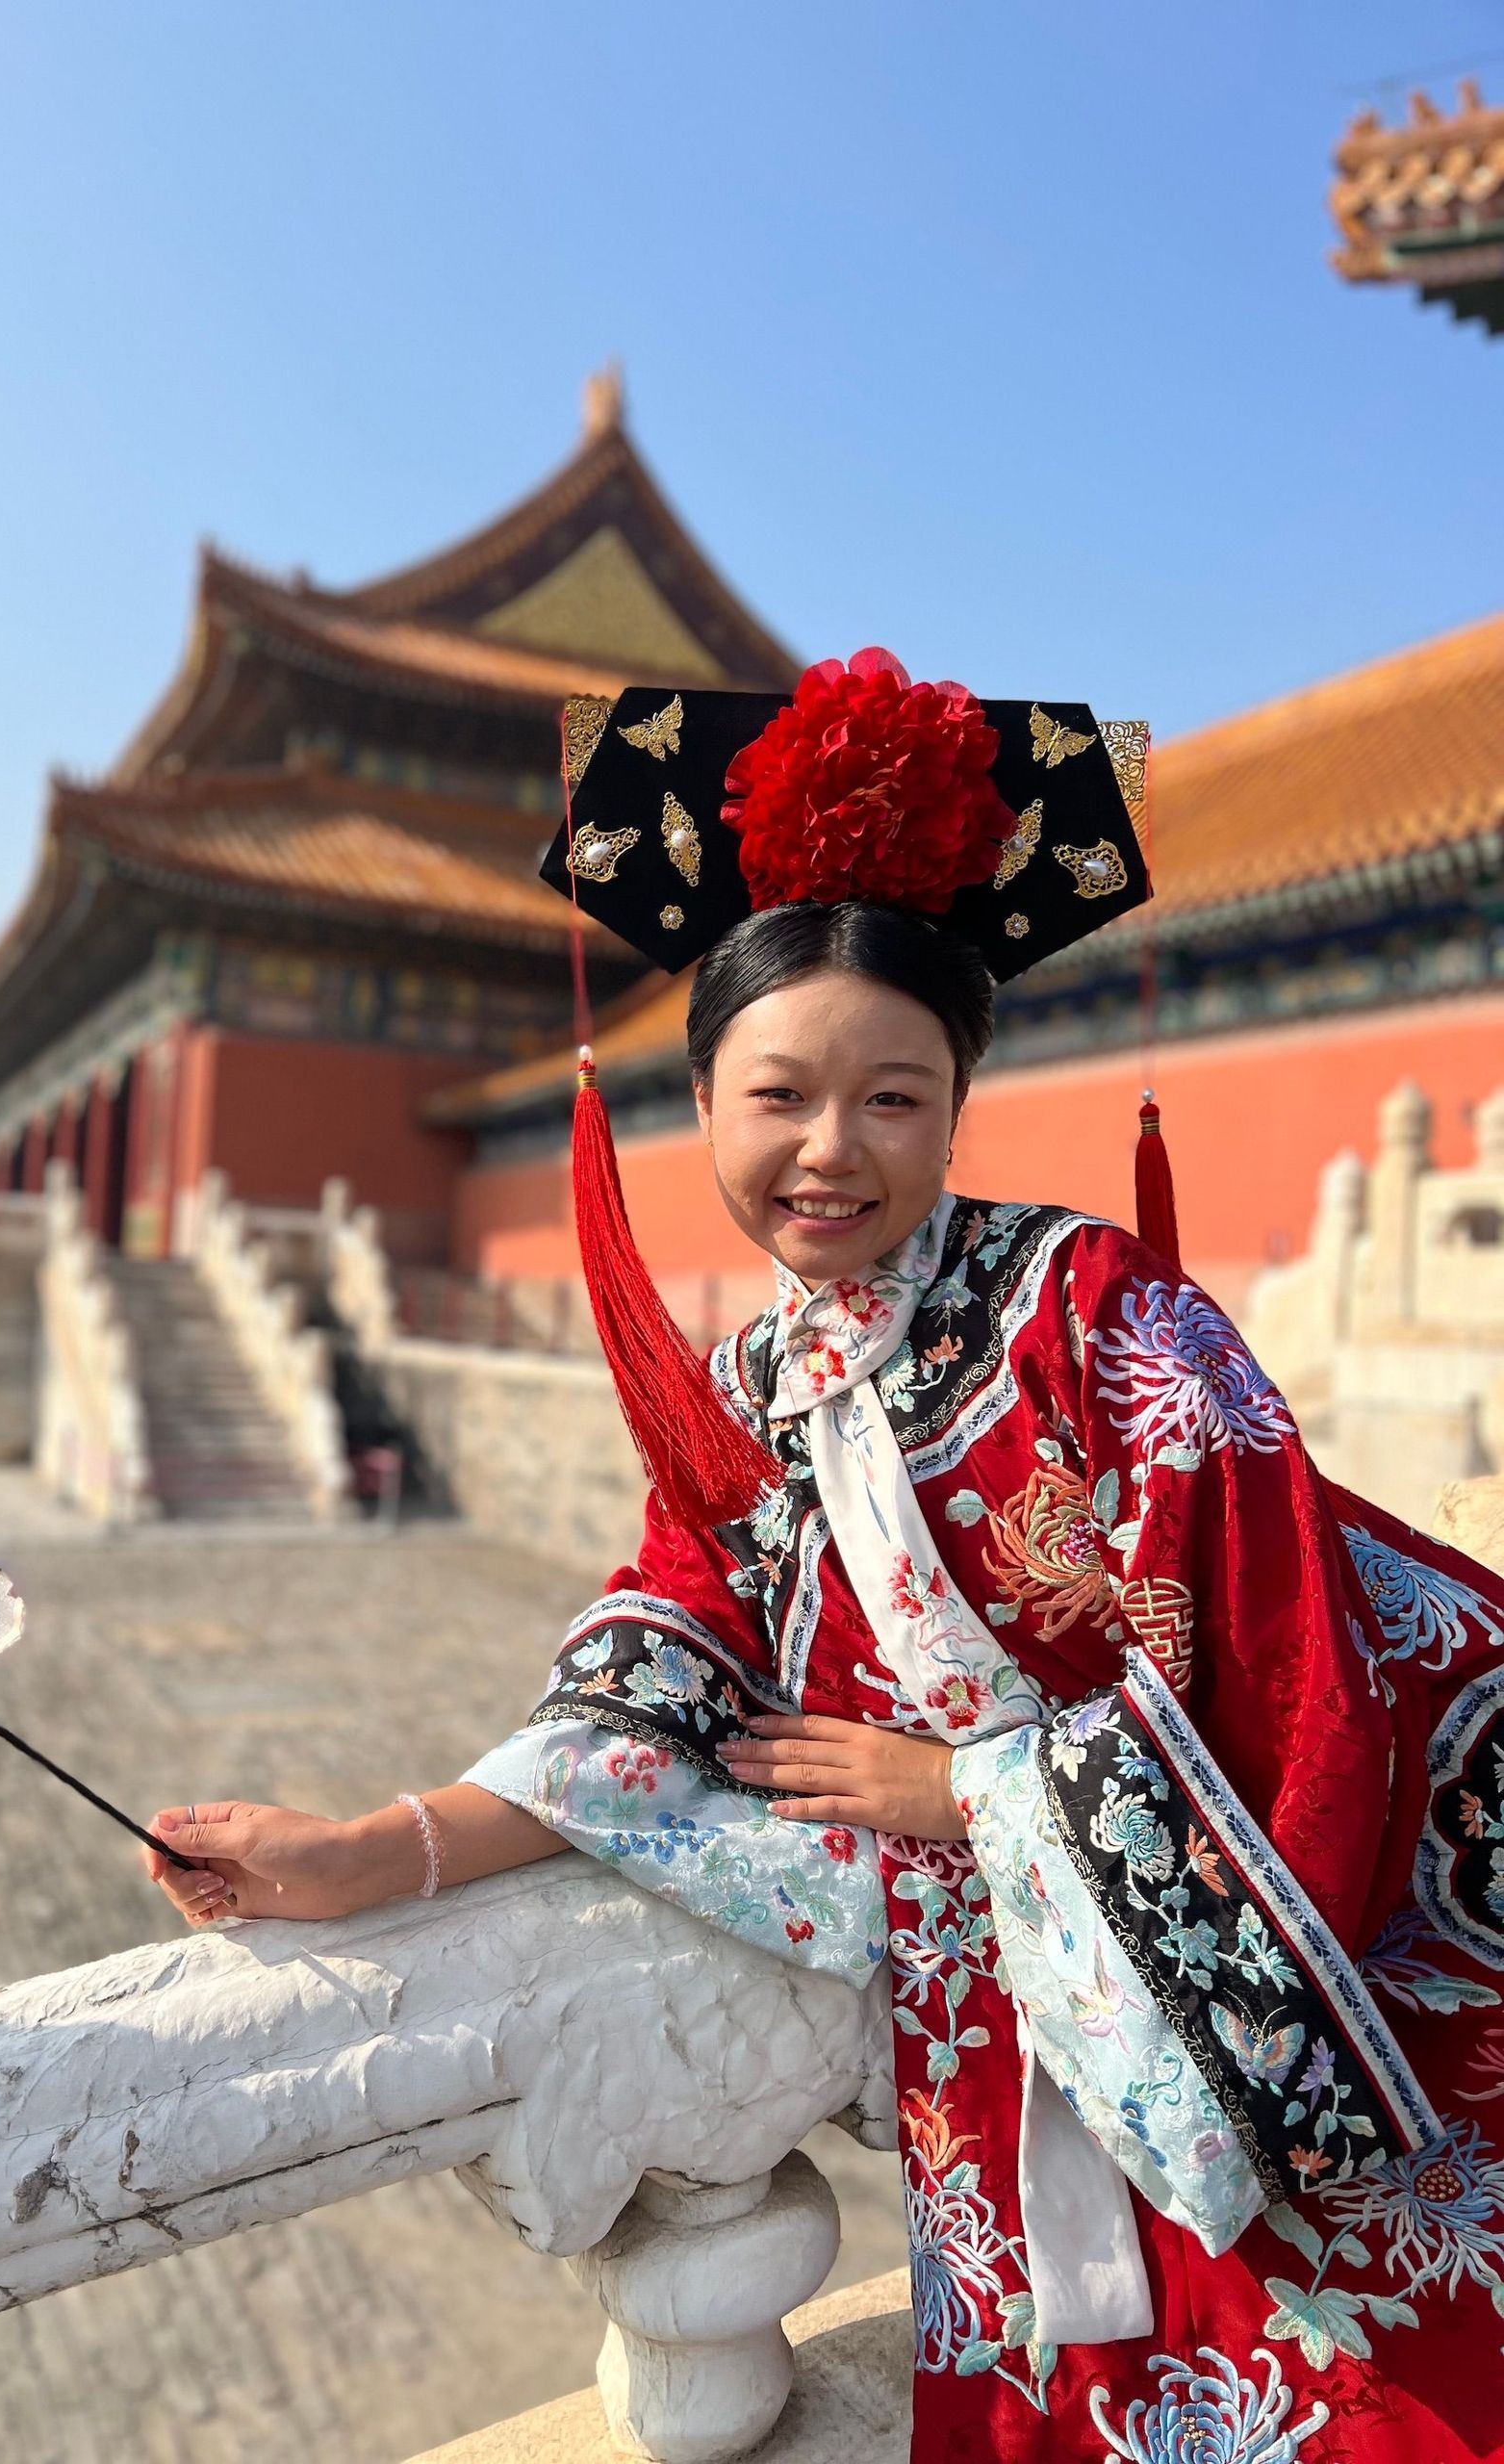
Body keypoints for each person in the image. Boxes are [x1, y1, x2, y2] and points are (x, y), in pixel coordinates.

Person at [145, 652, 1504, 2461]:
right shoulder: (737, 1398)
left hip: (1266, 2010)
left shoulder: (1099, 1311)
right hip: (989, 2035)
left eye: (895, 1097)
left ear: (956, 1108)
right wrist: (373, 1853)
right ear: (694, 1103)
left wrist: (970, 1794)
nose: (831, 1151)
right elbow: (656, 1672)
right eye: (779, 1095)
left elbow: (1288, 1680)